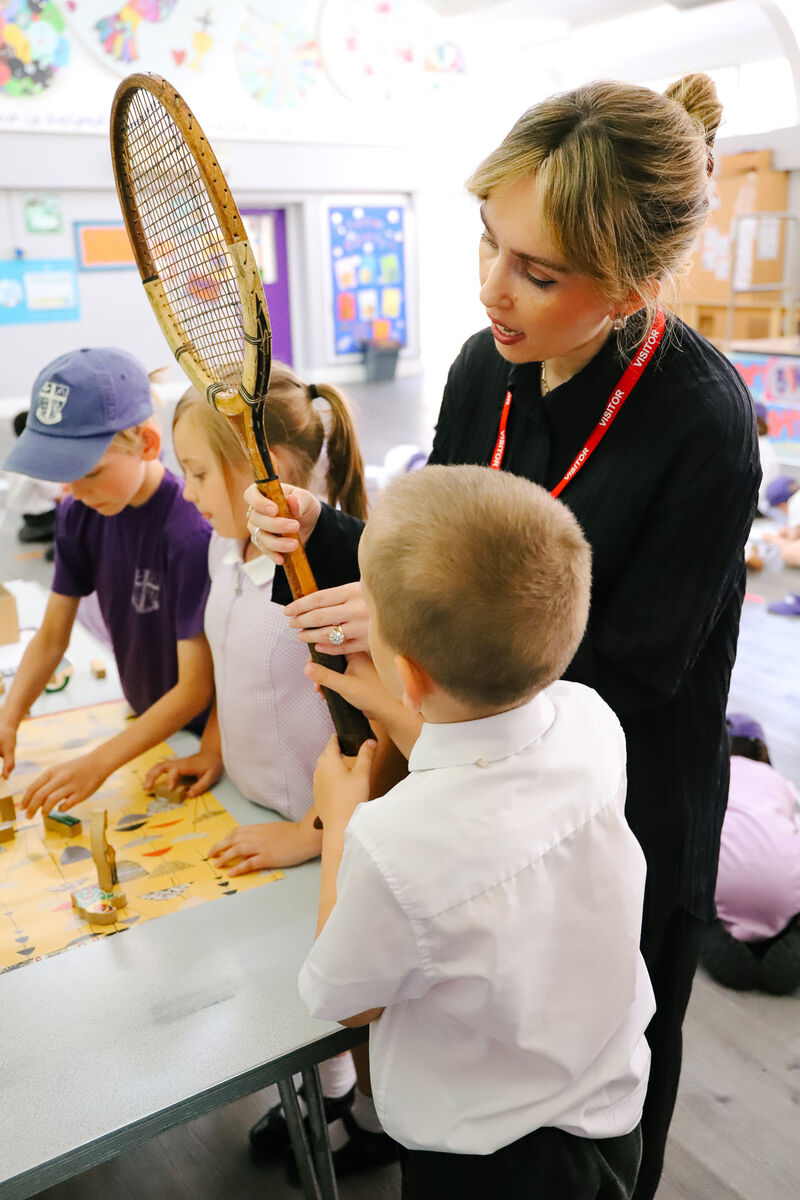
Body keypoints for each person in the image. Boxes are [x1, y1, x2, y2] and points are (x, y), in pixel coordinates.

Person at [245, 75, 761, 1198]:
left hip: (620, 787)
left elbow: (625, 670)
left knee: (600, 1076)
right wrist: (325, 530)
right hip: (471, 759)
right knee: (462, 1020)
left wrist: (403, 652)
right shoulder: (488, 364)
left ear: (631, 284)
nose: (493, 290)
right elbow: (437, 544)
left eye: (535, 272)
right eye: (486, 245)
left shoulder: (704, 421)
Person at [299, 464, 655, 1200]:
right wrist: (403, 716)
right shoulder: (591, 717)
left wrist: (339, 819)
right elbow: (499, 778)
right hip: (610, 1115)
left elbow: (343, 996)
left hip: (487, 1167)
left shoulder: (393, 841)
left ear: (412, 671)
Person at [144, 366, 394, 1177]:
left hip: (316, 830)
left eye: (199, 473)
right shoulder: (229, 550)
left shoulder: (322, 581)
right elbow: (231, 662)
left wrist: (309, 833)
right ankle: (315, 1101)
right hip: (255, 805)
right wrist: (214, 747)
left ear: (271, 473)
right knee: (275, 985)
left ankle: (344, 1117)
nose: (187, 493)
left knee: (321, 989)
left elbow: (370, 738)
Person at [0, 347, 213, 816]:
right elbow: (52, 636)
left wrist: (98, 764)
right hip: (141, 719)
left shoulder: (189, 534)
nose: (74, 492)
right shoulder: (79, 511)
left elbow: (196, 689)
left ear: (148, 445)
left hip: (198, 737)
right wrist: (9, 716)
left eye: (91, 472)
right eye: (63, 477)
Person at [700, 713, 800, 996]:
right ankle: (790, 928)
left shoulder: (710, 769)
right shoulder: (780, 782)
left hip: (722, 885)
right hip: (785, 888)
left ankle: (709, 926)